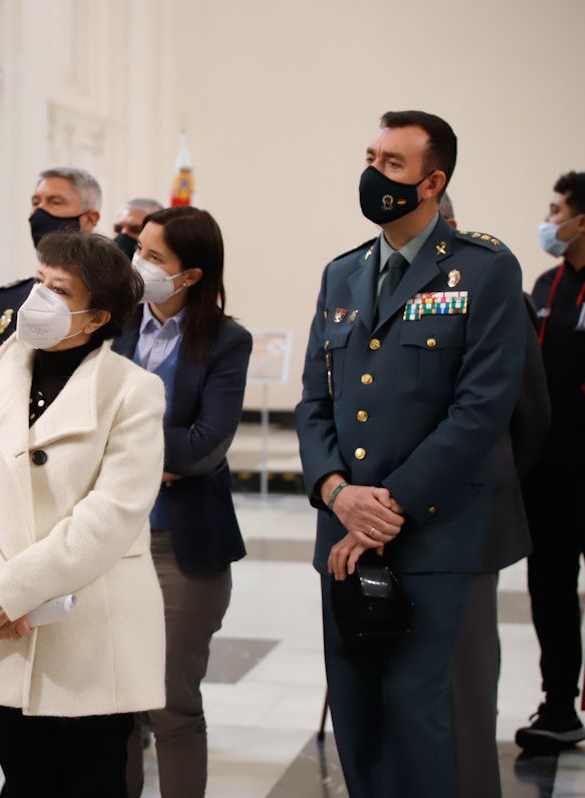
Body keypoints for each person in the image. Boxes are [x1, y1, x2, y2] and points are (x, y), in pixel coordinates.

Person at [296, 110, 525, 797]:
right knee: (358, 714)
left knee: (418, 714)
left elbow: (481, 409)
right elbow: (314, 402)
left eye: (392, 164)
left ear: (433, 182)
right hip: (343, 534)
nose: (374, 174)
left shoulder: (483, 270)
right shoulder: (342, 274)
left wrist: (388, 505)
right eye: (370, 157)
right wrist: (339, 495)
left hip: (430, 535)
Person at [0, 231, 166, 796]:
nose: (36, 298)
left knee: (91, 780)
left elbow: (113, 513)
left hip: (89, 624)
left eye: (58, 290)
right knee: (23, 778)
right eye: (39, 281)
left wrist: (16, 588)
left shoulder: (133, 391)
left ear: (96, 317)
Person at [114, 206, 251, 798]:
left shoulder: (225, 340)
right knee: (113, 706)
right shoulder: (112, 324)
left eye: (155, 258)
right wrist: (152, 455)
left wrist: (122, 444)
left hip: (180, 548)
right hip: (109, 541)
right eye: (138, 250)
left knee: (170, 704)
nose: (139, 264)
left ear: (192, 275)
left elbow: (202, 449)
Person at [516, 170, 585, 752]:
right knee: (552, 592)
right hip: (548, 476)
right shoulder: (545, 284)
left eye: (557, 209)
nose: (549, 219)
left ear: (581, 221)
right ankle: (558, 707)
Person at [0, 167, 103, 358]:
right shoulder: (4, 300)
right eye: (36, 202)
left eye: (55, 202)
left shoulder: (105, 299)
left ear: (90, 219)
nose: (39, 211)